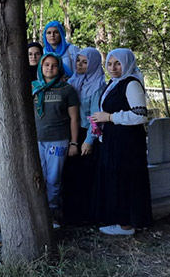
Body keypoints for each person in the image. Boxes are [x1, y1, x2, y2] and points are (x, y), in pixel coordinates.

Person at [90, 49, 152, 236]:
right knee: (117, 178)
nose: (113, 68)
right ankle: (121, 220)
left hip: (127, 142)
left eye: (118, 63)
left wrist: (109, 117)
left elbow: (140, 115)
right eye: (109, 64)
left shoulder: (131, 84)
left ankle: (127, 224)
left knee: (126, 179)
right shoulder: (115, 82)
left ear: (127, 64)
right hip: (115, 138)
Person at [32, 52, 80, 227]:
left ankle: (52, 212)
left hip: (58, 140)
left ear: (59, 68)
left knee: (53, 178)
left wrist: (74, 142)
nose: (50, 68)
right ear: (41, 67)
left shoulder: (67, 90)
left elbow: (74, 118)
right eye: (46, 65)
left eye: (54, 65)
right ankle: (39, 213)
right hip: (36, 139)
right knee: (39, 177)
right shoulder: (33, 87)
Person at [62, 47, 106, 225]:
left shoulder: (98, 86)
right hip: (73, 133)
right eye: (78, 60)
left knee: (84, 177)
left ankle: (84, 217)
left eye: (84, 62)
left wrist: (88, 141)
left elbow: (96, 117)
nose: (79, 64)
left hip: (88, 135)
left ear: (93, 64)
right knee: (70, 175)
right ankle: (70, 215)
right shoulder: (73, 81)